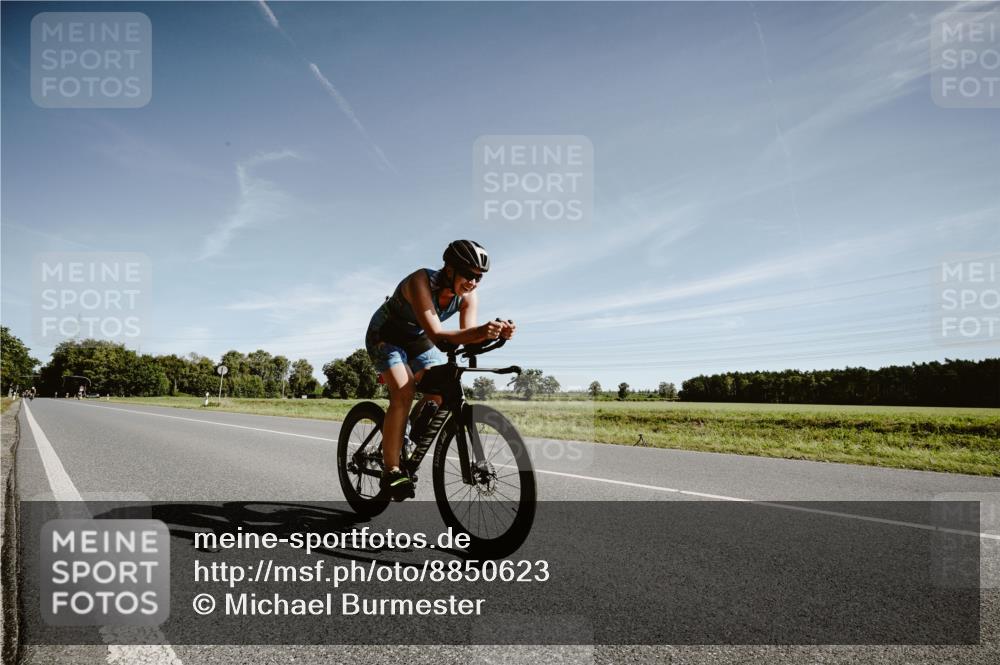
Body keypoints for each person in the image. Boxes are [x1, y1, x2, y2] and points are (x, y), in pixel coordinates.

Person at [365, 240, 515, 500]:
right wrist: (480, 332)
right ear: (449, 269)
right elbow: (438, 334)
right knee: (404, 390)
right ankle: (391, 470)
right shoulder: (420, 281)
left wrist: (495, 333)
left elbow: (466, 334)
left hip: (417, 339)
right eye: (468, 274)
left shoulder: (468, 296)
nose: (473, 282)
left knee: (438, 392)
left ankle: (405, 438)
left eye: (479, 277)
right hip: (386, 334)